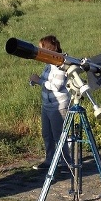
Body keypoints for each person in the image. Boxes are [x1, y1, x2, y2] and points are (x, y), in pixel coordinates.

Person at [28, 35, 69, 170]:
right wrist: (35, 80)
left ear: (49, 48)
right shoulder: (48, 64)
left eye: (41, 48)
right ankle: (50, 160)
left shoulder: (60, 64)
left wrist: (39, 81)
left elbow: (56, 86)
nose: (38, 51)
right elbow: (45, 81)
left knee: (59, 135)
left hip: (59, 106)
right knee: (47, 134)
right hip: (46, 105)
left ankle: (65, 163)